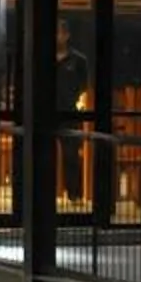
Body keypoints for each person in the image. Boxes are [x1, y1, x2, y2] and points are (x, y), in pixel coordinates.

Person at [53, 22, 91, 204]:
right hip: (47, 111)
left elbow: (84, 85)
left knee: (71, 155)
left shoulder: (78, 60)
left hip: (69, 112)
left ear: (66, 35)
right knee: (44, 154)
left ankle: (74, 194)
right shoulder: (43, 57)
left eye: (59, 33)